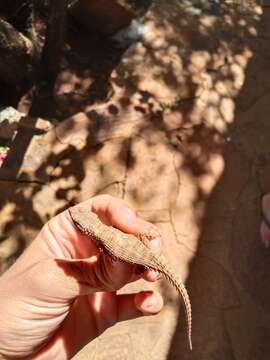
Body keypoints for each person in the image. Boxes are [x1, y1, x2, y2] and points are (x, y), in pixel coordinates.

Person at [0, 195, 164, 359]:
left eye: (78, 223)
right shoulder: (104, 233)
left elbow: (108, 252)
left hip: (137, 256)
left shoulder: (100, 240)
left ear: (86, 228)